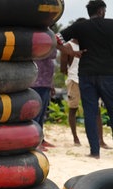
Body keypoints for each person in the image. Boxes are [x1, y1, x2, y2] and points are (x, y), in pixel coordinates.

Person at [55, 0, 113, 159]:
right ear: (101, 11)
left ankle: (94, 152)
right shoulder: (111, 25)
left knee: (90, 112)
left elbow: (56, 38)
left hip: (86, 74)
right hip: (108, 74)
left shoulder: (80, 27)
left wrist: (69, 51)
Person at [59, 29, 110, 148]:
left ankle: (99, 140)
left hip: (86, 79)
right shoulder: (69, 46)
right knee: (74, 109)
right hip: (76, 80)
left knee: (93, 110)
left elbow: (63, 68)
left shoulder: (86, 44)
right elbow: (63, 67)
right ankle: (77, 138)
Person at [31, 50, 57, 151]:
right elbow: (51, 54)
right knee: (36, 114)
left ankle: (41, 139)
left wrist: (52, 84)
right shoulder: (39, 45)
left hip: (46, 82)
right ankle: (35, 141)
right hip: (37, 83)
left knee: (42, 115)